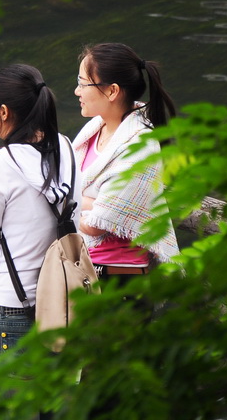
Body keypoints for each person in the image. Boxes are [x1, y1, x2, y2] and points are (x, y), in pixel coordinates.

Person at [0, 63, 82, 378]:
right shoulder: (66, 149)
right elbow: (77, 217)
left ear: (3, 112)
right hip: (63, 305)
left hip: (8, 309)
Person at [72, 43, 180, 279]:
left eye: (82, 83)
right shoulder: (93, 131)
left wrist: (74, 200)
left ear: (112, 91)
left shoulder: (139, 146)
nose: (77, 91)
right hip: (81, 267)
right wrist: (91, 201)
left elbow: (95, 224)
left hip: (120, 278)